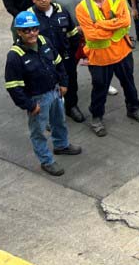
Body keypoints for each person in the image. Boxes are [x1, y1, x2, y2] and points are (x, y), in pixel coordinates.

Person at [5, 10, 82, 176]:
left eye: (34, 28)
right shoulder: (15, 56)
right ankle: (46, 161)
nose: (31, 33)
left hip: (55, 92)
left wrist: (63, 83)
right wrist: (30, 105)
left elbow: (58, 62)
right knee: (38, 132)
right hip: (37, 100)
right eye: (26, 30)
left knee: (59, 122)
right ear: (18, 32)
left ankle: (61, 145)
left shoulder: (44, 41)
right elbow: (13, 86)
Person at [76, 0, 139, 136]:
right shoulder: (82, 8)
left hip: (122, 53)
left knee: (128, 83)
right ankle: (97, 117)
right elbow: (92, 35)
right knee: (100, 88)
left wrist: (101, 24)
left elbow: (125, 22)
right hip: (99, 57)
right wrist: (112, 24)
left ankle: (134, 108)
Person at [26, 0, 83, 123]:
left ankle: (71, 106)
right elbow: (24, 42)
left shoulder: (61, 10)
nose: (43, 0)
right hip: (43, 60)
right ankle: (50, 115)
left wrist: (73, 53)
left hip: (65, 56)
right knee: (46, 87)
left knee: (70, 81)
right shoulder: (29, 16)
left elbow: (72, 33)